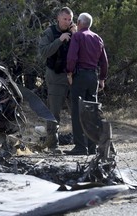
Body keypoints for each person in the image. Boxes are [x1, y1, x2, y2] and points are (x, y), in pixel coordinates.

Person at [64, 12, 108, 155]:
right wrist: (102, 78)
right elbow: (104, 62)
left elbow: (71, 57)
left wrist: (69, 73)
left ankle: (80, 147)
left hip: (80, 76)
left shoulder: (77, 36)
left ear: (79, 22)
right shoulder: (97, 38)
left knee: (78, 111)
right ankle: (92, 146)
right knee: (92, 112)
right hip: (93, 77)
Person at [38, 7, 77, 153]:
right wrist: (59, 41)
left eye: (70, 19)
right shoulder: (50, 32)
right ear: (58, 19)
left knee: (77, 110)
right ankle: (53, 145)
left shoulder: (75, 32)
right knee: (54, 112)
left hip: (73, 77)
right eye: (65, 19)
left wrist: (76, 35)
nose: (68, 22)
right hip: (56, 76)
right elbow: (43, 52)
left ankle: (82, 143)